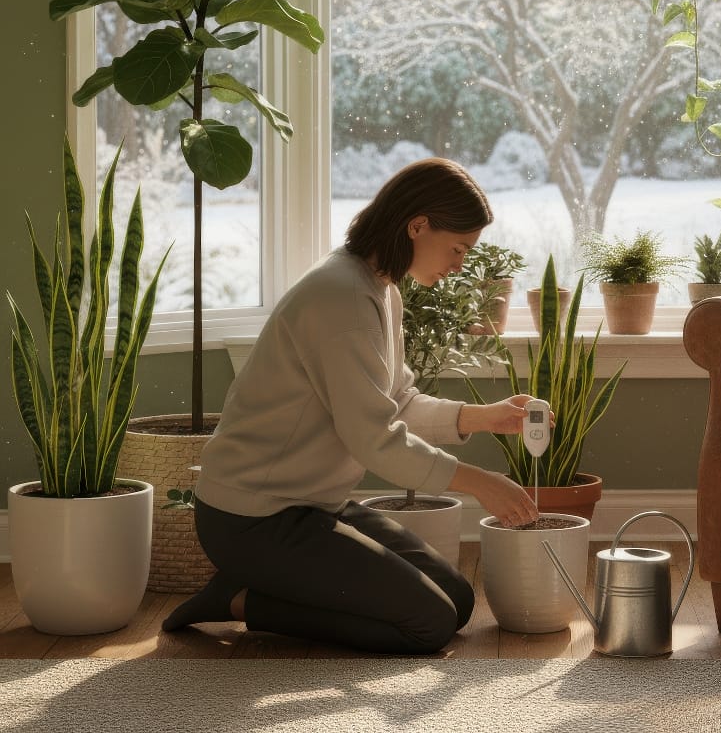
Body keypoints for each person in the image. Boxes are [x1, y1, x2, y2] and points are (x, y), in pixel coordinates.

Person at [162, 157, 541, 653]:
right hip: (253, 519)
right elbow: (375, 439)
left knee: (456, 599)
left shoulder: (382, 289)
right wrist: (480, 483)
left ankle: (260, 590)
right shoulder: (339, 296)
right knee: (428, 623)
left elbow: (396, 401)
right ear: (417, 226)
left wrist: (484, 417)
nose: (459, 265)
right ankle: (237, 600)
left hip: (314, 506)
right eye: (457, 248)